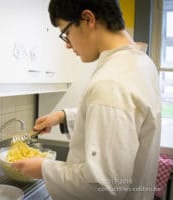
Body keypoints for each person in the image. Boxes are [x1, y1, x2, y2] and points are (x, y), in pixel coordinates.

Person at [11, 0, 161, 199]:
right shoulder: (140, 63)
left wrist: (44, 169)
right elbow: (121, 118)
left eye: (66, 32)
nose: (67, 44)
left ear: (88, 19)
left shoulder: (111, 82)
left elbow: (103, 187)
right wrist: (62, 116)